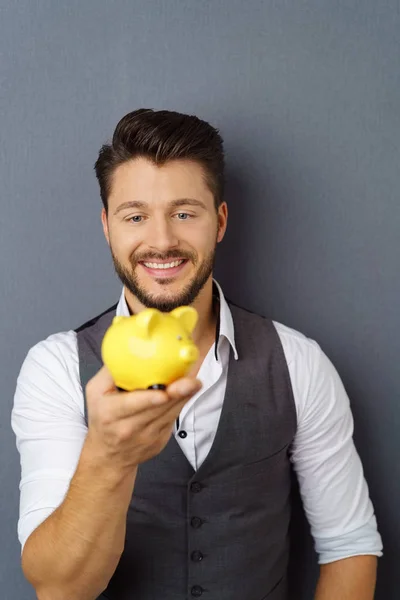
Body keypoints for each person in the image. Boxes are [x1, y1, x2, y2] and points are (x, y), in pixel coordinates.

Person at [12, 108, 383, 600]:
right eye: (135, 216)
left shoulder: (299, 363)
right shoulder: (55, 369)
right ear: (107, 226)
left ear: (220, 221)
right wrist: (108, 457)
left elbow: (349, 546)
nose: (162, 240)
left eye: (184, 213)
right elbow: (60, 587)